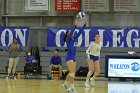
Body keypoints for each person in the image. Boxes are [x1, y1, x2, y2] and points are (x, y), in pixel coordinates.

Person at [62, 15, 87, 92]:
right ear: (67, 34)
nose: (71, 32)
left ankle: (65, 83)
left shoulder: (75, 38)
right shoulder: (68, 39)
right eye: (69, 32)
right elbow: (72, 32)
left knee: (71, 73)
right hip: (69, 57)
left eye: (71, 31)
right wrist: (75, 26)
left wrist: (84, 25)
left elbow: (80, 32)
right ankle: (72, 87)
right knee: (72, 73)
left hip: (74, 57)